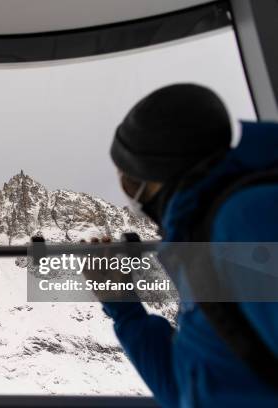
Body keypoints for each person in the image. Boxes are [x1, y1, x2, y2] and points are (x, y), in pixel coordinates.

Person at [95, 84, 278, 407]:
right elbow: (186, 391)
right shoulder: (198, 239)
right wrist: (125, 309)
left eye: (128, 179)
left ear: (154, 174)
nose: (127, 193)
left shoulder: (247, 219)